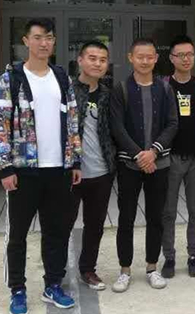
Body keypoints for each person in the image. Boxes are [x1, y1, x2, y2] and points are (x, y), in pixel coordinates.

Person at [0, 19, 82, 314]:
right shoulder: (11, 79)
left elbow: (73, 120)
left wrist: (75, 160)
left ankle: (53, 285)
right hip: (24, 170)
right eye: (38, 37)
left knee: (56, 232)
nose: (44, 43)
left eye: (49, 38)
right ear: (26, 41)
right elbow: (0, 125)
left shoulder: (62, 77)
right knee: (17, 235)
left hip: (58, 169)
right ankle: (17, 290)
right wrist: (5, 167)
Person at [110, 37, 179, 292]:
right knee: (126, 218)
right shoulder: (121, 89)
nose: (145, 61)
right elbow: (117, 127)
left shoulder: (165, 89)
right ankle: (124, 270)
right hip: (129, 166)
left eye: (150, 56)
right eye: (140, 56)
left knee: (155, 217)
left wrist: (154, 152)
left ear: (156, 58)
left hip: (159, 164)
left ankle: (152, 267)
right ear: (131, 58)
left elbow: (172, 123)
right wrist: (140, 155)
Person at [161, 36, 195, 279]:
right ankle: (169, 256)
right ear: (171, 58)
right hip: (170, 157)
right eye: (180, 55)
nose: (186, 59)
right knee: (168, 211)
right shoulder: (163, 86)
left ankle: (193, 255)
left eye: (190, 54)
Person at [69, 41, 115, 290]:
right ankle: (55, 275)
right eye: (92, 58)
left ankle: (88, 269)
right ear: (80, 60)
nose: (98, 63)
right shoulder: (67, 91)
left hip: (102, 172)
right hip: (70, 172)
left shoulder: (109, 94)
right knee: (61, 225)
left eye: (103, 60)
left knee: (95, 226)